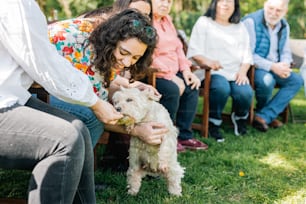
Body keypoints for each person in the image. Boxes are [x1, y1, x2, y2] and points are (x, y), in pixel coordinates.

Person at [0, 0, 124, 203]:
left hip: (12, 95)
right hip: (4, 103)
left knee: (79, 128)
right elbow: (42, 62)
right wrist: (95, 102)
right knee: (65, 139)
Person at [48, 9, 168, 147]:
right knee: (92, 117)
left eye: (135, 57)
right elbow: (100, 112)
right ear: (112, 41)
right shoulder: (81, 44)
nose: (127, 63)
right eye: (124, 52)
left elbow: (99, 86)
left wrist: (131, 87)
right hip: (30, 93)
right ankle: (74, 164)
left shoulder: (102, 42)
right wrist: (137, 130)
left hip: (52, 89)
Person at [187, 0, 253, 142]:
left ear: (235, 6)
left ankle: (240, 119)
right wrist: (208, 62)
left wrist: (242, 72)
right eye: (222, 0)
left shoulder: (240, 27)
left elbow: (247, 56)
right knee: (221, 88)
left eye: (230, 1)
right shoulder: (204, 22)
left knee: (245, 92)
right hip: (211, 72)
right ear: (215, 4)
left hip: (235, 72)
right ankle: (213, 123)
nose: (226, 4)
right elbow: (194, 52)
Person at [151, 0, 208, 152]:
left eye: (169, 1)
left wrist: (187, 71)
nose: (165, 4)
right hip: (154, 73)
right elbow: (148, 55)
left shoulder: (167, 20)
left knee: (192, 86)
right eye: (161, 0)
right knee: (172, 90)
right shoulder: (146, 21)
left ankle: (184, 135)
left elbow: (178, 48)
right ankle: (167, 137)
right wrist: (171, 76)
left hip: (173, 71)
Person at [243, 0, 303, 132]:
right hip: (255, 67)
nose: (274, 13)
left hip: (277, 67)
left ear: (285, 11)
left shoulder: (284, 25)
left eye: (279, 10)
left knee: (296, 80)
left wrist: (285, 65)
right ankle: (265, 115)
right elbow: (248, 54)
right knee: (267, 81)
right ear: (265, 6)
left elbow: (286, 51)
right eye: (271, 8)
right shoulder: (251, 22)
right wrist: (272, 66)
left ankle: (264, 116)